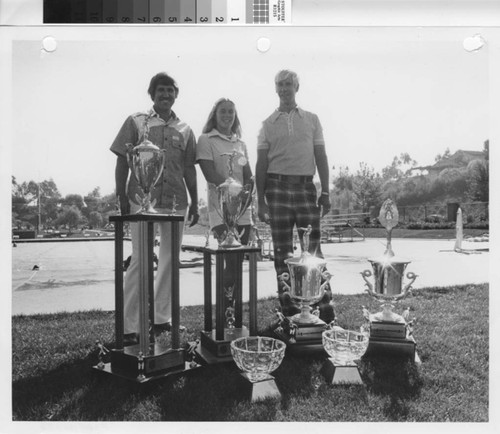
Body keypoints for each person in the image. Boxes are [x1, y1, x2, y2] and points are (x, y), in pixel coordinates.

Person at [110, 72, 199, 344]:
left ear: (176, 94)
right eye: (160, 90)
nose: (165, 95)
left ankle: (162, 319)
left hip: (174, 202)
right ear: (152, 94)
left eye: (170, 91)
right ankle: (130, 326)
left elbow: (188, 168)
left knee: (170, 260)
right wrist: (122, 195)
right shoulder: (136, 121)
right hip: (141, 198)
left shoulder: (185, 128)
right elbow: (123, 161)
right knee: (140, 259)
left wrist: (195, 200)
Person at [255, 69, 334, 322]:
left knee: (313, 249)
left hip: (305, 188)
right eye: (280, 84)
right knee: (283, 252)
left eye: (289, 84)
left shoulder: (312, 119)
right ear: (275, 89)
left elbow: (320, 156)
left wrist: (326, 191)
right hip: (276, 188)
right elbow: (261, 164)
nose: (284, 88)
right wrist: (260, 202)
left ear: (296, 87)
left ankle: (324, 304)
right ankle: (289, 308)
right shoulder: (267, 124)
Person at [196, 98, 253, 314]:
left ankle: (234, 310)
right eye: (223, 111)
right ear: (215, 114)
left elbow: (248, 176)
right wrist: (230, 199)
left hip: (243, 214)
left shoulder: (241, 144)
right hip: (220, 212)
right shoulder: (206, 139)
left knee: (238, 263)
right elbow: (210, 174)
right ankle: (224, 310)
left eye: (231, 112)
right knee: (227, 260)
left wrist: (246, 196)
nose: (227, 115)